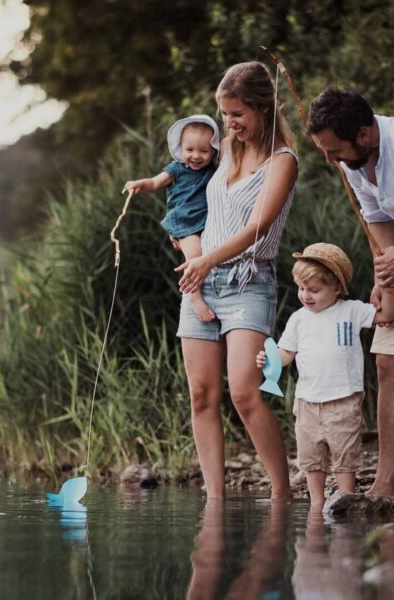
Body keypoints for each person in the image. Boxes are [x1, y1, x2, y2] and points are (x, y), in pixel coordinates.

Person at [174, 61, 298, 500]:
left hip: (249, 281)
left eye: (237, 113)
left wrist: (207, 260)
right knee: (201, 395)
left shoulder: (283, 161)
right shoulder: (223, 148)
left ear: (263, 107)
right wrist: (184, 236)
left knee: (245, 393)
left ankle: (282, 494)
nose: (229, 123)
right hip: (201, 282)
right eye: (225, 114)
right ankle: (215, 500)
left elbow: (257, 228)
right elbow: (183, 190)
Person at [306, 88, 394, 502]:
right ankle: (389, 486)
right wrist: (386, 276)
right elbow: (380, 220)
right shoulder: (354, 162)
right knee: (389, 361)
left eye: (334, 151)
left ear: (364, 134)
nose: (330, 160)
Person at [256, 243, 394, 506]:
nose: (306, 296)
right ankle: (316, 504)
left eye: (314, 290)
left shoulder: (351, 310)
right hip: (307, 401)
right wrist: (270, 359)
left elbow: (386, 314)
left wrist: (389, 288)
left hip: (343, 399)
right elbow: (286, 353)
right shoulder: (299, 319)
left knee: (345, 455)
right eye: (301, 288)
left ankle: (345, 499)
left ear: (337, 288)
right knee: (311, 457)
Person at [124, 114, 220, 322]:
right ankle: (195, 297)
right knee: (194, 255)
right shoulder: (176, 169)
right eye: (189, 150)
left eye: (203, 151)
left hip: (206, 221)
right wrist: (139, 184)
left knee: (211, 252)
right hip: (184, 221)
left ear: (213, 150)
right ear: (180, 148)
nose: (196, 156)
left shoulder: (213, 170)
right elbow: (154, 183)